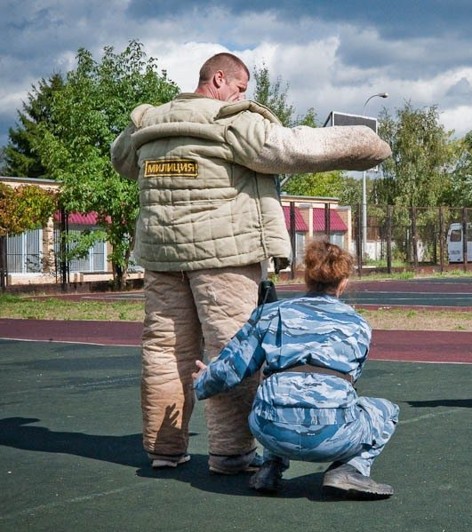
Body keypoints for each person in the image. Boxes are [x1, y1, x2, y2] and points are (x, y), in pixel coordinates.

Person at [110, 52, 391, 474]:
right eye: (241, 88)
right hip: (224, 255)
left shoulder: (148, 123)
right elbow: (289, 147)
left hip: (161, 255)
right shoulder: (230, 121)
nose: (243, 94)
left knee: (164, 351)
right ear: (219, 79)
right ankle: (231, 453)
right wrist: (366, 145)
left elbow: (121, 161)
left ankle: (164, 449)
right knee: (231, 350)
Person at [193, 239, 399, 499]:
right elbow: (351, 381)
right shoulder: (359, 325)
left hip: (269, 430)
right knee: (387, 411)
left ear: (306, 277)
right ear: (343, 282)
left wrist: (202, 381)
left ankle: (271, 467)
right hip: (333, 435)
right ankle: (350, 469)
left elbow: (232, 368)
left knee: (280, 387)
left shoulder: (271, 313)